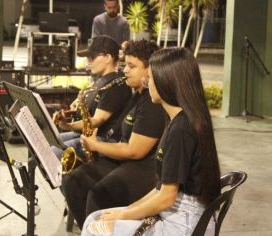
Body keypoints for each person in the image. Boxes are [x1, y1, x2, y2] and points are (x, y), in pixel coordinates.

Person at [81, 47, 221, 236]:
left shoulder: (181, 130)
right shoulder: (181, 120)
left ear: (166, 82)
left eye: (152, 77)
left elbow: (166, 198)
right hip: (180, 214)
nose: (147, 82)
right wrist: (126, 211)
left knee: (94, 227)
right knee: (95, 218)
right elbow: (160, 190)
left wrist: (124, 215)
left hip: (183, 224)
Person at [62, 40, 166, 229]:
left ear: (150, 69)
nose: (125, 70)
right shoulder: (137, 95)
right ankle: (90, 229)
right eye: (125, 64)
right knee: (73, 181)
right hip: (128, 161)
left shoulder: (152, 102)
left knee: (98, 194)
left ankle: (99, 229)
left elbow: (136, 151)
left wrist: (95, 146)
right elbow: (119, 136)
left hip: (146, 168)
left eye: (131, 66)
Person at [51, 35, 132, 161]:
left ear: (108, 58)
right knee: (48, 142)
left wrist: (69, 126)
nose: (88, 62)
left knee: (53, 152)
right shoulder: (101, 79)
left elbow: (98, 119)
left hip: (103, 138)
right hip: (90, 133)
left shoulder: (116, 84)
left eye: (92, 57)